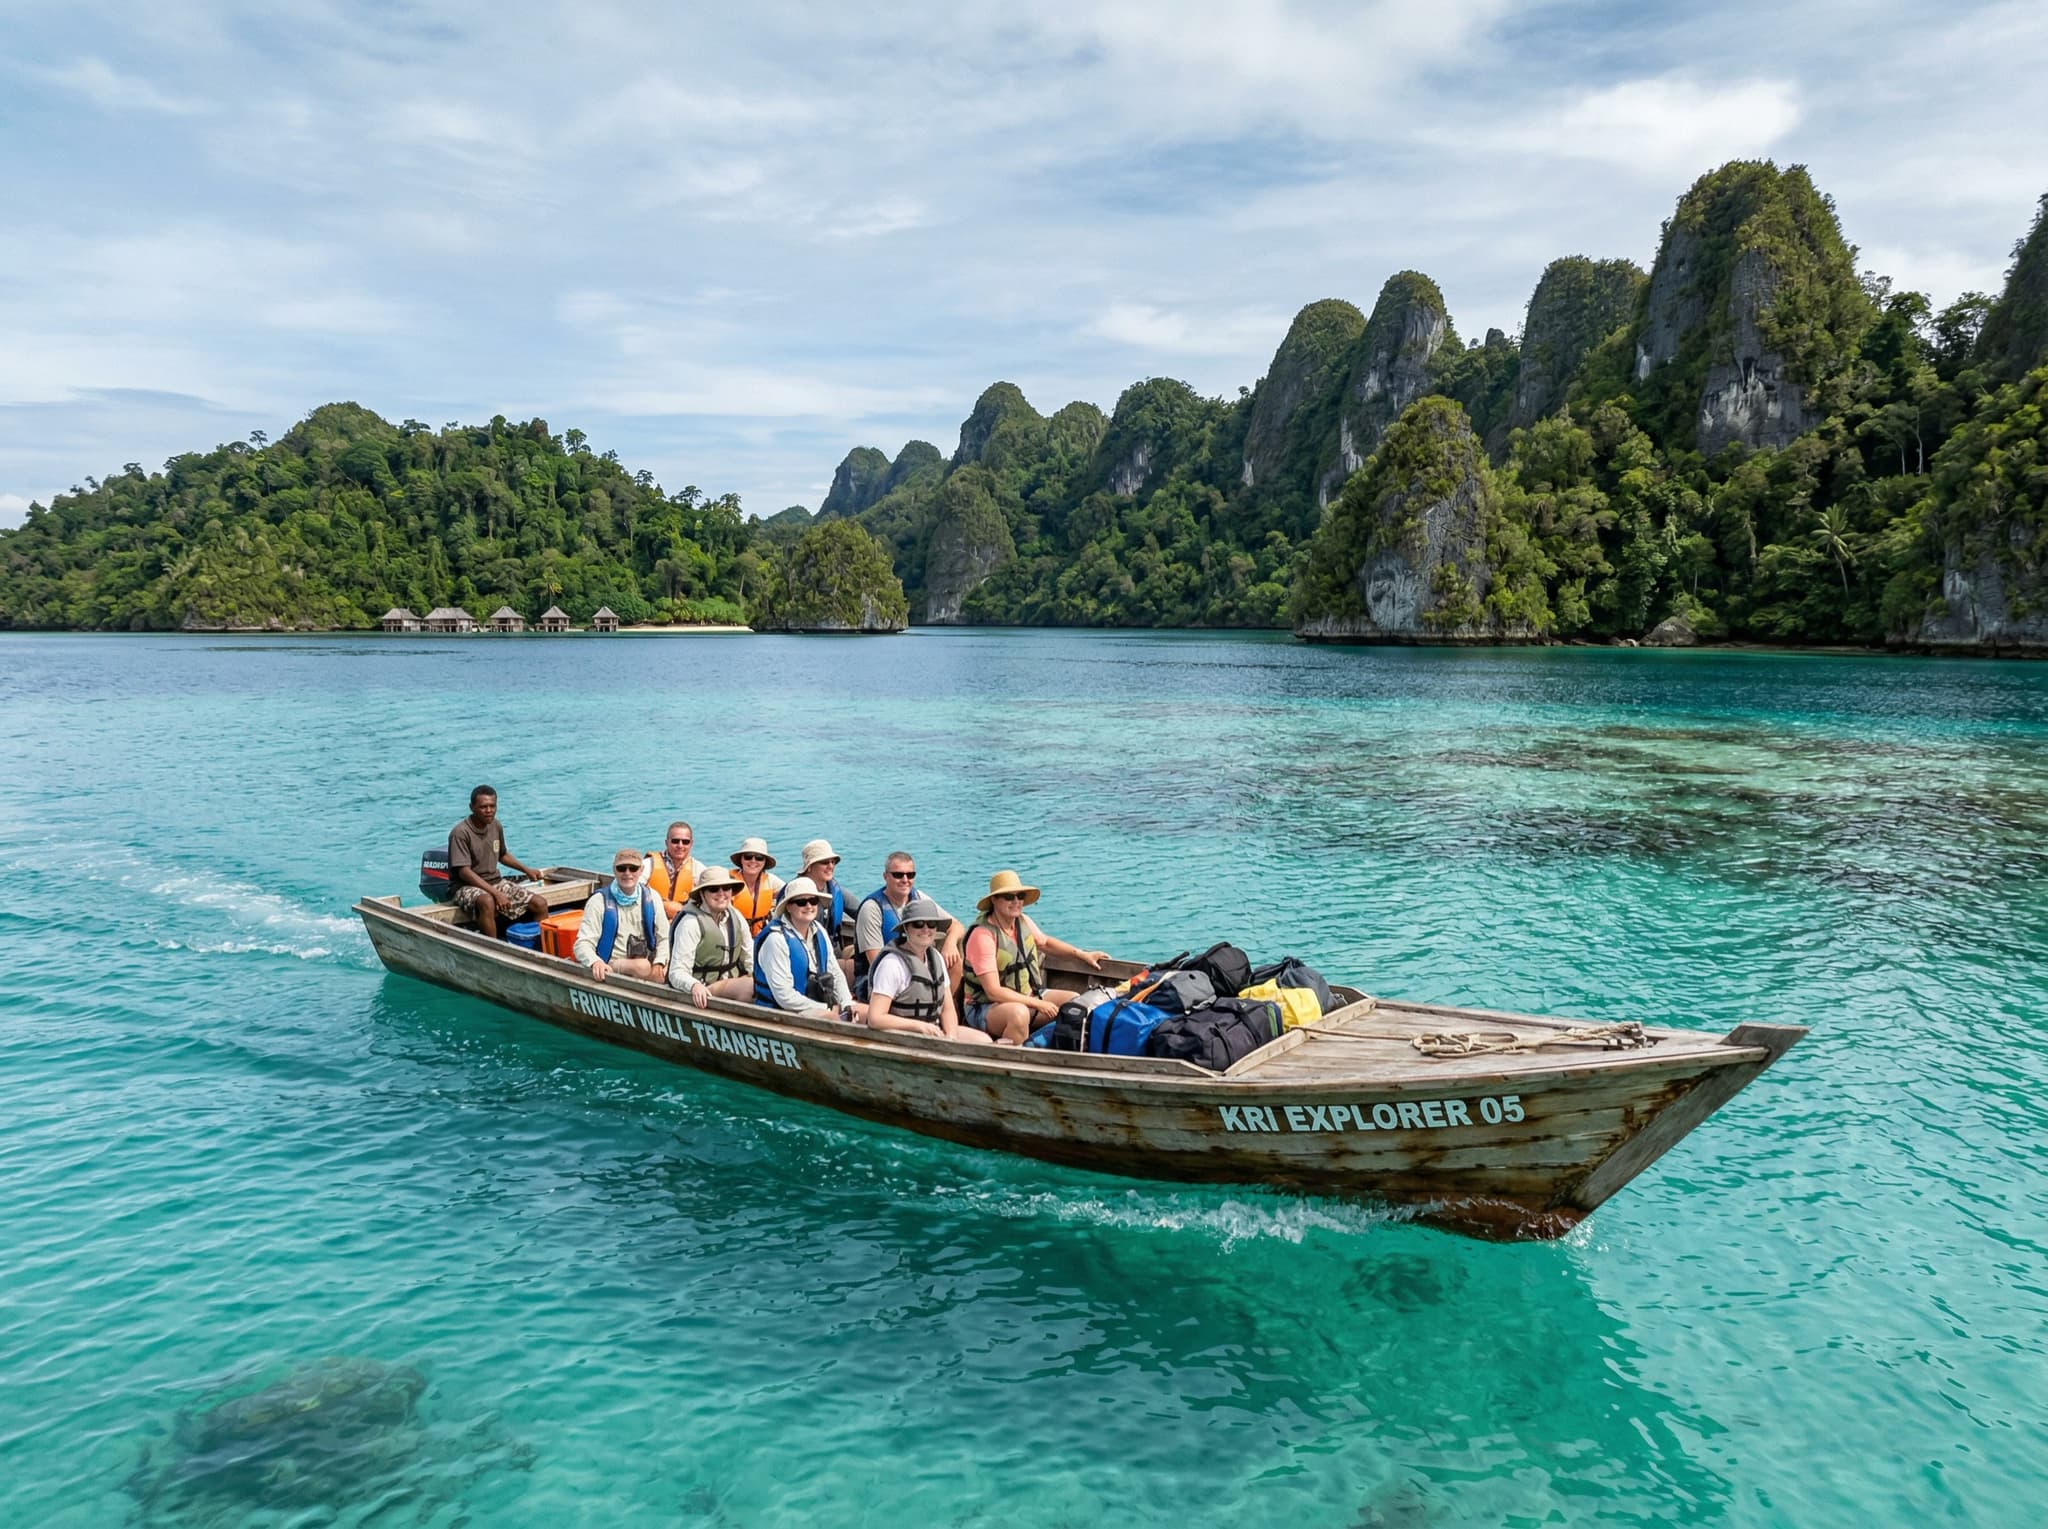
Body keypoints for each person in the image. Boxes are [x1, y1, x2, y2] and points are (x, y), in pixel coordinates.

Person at [961, 870, 1107, 1045]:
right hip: (984, 1008)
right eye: (1009, 897)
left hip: (1027, 995)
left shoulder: (1022, 921)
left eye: (1020, 896)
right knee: (1018, 1014)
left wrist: (1082, 954)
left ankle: (1048, 1047)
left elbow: (1044, 942)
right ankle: (1015, 1060)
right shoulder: (983, 936)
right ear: (994, 900)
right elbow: (993, 992)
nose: (1016, 901)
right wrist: (1037, 1004)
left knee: (1075, 1003)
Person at [866, 897, 991, 1044]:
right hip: (901, 1036)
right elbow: (875, 1018)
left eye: (931, 924)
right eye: (918, 924)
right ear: (906, 928)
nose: (926, 929)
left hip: (933, 1030)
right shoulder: (892, 964)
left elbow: (947, 1009)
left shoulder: (936, 958)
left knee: (985, 1041)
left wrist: (950, 1038)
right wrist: (918, 1027)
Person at [853, 851, 964, 994]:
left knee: (954, 962)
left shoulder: (919, 898)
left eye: (910, 875)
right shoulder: (872, 908)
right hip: (883, 979)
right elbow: (876, 963)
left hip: (918, 965)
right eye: (898, 875)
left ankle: (941, 1006)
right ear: (885, 877)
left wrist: (950, 944)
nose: (905, 880)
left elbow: (956, 925)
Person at [448, 784, 548, 938]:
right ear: (472, 807)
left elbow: (503, 855)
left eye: (492, 806)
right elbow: (464, 872)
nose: (489, 810)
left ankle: (543, 944)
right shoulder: (460, 833)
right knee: (487, 901)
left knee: (539, 903)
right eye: (483, 807)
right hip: (464, 886)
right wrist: (496, 894)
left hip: (495, 881)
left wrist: (527, 870)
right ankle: (495, 948)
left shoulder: (496, 825)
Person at [752, 875, 855, 1020]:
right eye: (801, 902)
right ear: (788, 907)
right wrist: (826, 1008)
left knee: (861, 1013)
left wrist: (846, 1003)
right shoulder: (776, 939)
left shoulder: (819, 930)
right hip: (781, 1012)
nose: (808, 906)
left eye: (813, 901)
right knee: (832, 1018)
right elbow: (784, 996)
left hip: (816, 1002)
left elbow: (835, 972)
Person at [572, 848, 670, 983]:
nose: (627, 873)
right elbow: (582, 943)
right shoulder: (598, 901)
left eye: (633, 868)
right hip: (613, 965)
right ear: (614, 870)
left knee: (667, 969)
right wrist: (595, 962)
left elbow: (664, 937)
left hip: (647, 961)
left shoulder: (652, 897)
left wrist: (660, 962)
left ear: (641, 870)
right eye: (622, 868)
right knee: (641, 966)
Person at [666, 867, 754, 1007]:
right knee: (748, 986)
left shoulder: (736, 917)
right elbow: (676, 972)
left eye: (726, 888)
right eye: (713, 889)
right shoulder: (690, 923)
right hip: (703, 988)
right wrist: (694, 985)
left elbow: (750, 957)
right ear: (702, 894)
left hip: (730, 982)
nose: (721, 894)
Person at [646, 820, 710, 920]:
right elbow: (634, 893)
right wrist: (664, 906)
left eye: (685, 842)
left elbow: (711, 898)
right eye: (675, 841)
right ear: (666, 843)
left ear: (691, 844)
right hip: (651, 918)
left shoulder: (699, 869)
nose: (680, 845)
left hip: (684, 920)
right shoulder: (648, 864)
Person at [730, 837, 784, 939]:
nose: (753, 861)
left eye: (759, 858)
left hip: (761, 935)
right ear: (741, 859)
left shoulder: (771, 881)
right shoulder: (729, 881)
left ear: (764, 862)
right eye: (748, 857)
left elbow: (791, 891)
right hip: (734, 935)